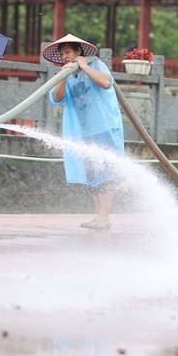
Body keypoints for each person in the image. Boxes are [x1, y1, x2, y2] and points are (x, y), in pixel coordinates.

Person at [44, 33, 125, 230]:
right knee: (92, 176)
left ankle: (104, 217)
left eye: (68, 52)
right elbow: (57, 98)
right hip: (84, 132)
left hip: (105, 127)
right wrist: (64, 76)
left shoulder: (96, 64)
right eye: (62, 54)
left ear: (78, 52)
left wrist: (84, 66)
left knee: (107, 173)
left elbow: (106, 82)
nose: (64, 57)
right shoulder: (66, 74)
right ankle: (98, 215)